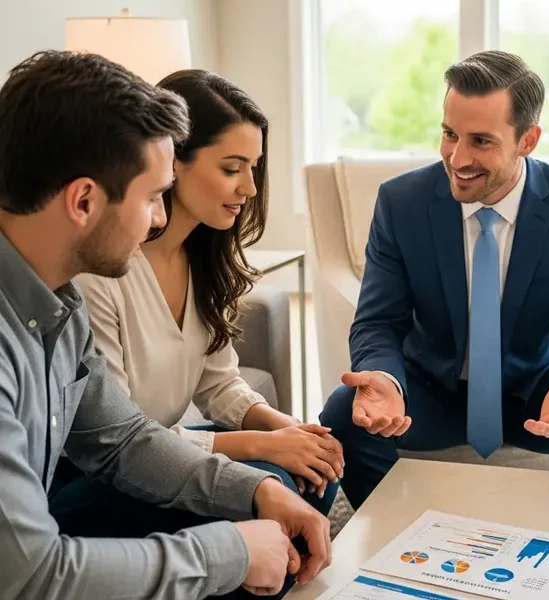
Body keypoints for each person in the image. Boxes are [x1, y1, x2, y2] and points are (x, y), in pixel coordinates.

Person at [0, 51, 330, 600]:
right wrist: (232, 551)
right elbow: (32, 574)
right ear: (83, 200)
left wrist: (255, 491)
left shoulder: (57, 301)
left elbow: (121, 439)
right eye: (153, 197)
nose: (159, 218)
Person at [320, 50, 549, 509]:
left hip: (539, 393)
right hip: (430, 393)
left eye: (480, 141)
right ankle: (397, 538)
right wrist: (382, 379)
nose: (457, 157)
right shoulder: (401, 203)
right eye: (449, 134)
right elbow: (379, 321)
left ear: (528, 140)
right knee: (345, 411)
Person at [71, 69, 342, 520]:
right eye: (231, 169)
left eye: (253, 168)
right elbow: (118, 441)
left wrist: (288, 428)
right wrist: (264, 444)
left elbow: (218, 382)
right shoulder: (101, 272)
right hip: (102, 474)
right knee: (271, 491)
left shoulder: (202, 258)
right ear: (172, 160)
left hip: (165, 446)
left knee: (311, 479)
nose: (249, 188)